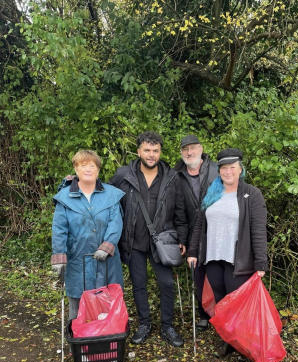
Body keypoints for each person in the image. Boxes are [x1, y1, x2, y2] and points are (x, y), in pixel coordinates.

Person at [109, 131, 188, 347]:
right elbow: (103, 194)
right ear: (138, 151)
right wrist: (75, 183)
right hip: (133, 241)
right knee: (139, 284)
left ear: (160, 152)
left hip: (162, 242)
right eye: (147, 150)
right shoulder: (123, 175)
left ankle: (167, 326)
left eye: (155, 150)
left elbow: (180, 210)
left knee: (167, 283)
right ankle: (144, 324)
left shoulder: (172, 178)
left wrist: (182, 237)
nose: (151, 155)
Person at [187, 148, 268, 356]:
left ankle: (244, 346)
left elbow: (258, 230)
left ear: (240, 169)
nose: (228, 172)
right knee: (222, 303)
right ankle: (229, 342)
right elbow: (199, 226)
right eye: (223, 168)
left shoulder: (252, 194)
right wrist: (193, 251)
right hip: (213, 258)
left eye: (232, 167)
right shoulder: (212, 193)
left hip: (238, 261)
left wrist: (261, 263)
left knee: (238, 305)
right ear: (219, 170)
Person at [51, 150, 125, 322]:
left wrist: (107, 246)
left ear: (98, 169)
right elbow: (59, 229)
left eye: (92, 165)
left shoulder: (112, 194)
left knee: (107, 303)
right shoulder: (64, 198)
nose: (88, 169)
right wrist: (59, 257)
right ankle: (78, 344)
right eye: (83, 165)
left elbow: (116, 222)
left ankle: (106, 342)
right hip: (78, 260)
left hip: (107, 261)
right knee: (77, 306)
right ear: (76, 169)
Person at [174, 135, 218, 331]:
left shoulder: (217, 170)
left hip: (217, 230)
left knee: (218, 273)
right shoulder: (175, 175)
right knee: (198, 274)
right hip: (193, 231)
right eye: (185, 149)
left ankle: (221, 314)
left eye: (192, 148)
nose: (189, 152)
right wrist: (182, 238)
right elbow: (178, 210)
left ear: (201, 148)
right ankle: (203, 314)